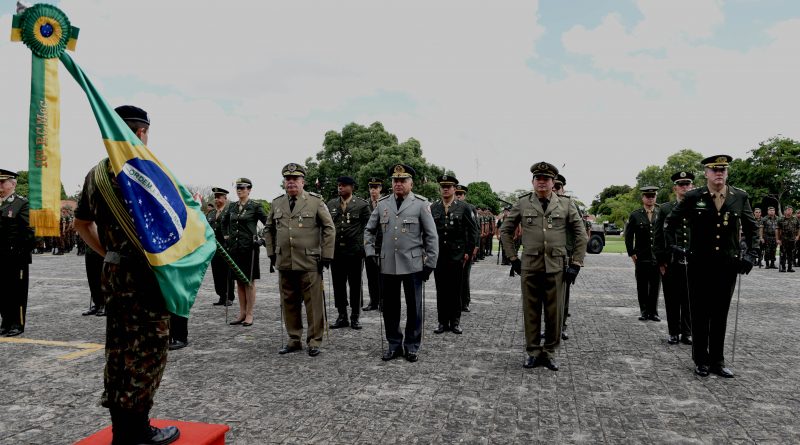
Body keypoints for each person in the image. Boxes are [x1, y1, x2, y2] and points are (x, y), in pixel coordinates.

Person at [73, 105, 180, 444]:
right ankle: (137, 430)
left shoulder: (97, 174)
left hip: (115, 274)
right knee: (148, 349)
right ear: (140, 133)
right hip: (147, 276)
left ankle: (122, 428)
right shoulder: (147, 173)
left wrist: (109, 254)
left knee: (119, 349)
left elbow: (80, 224)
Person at [665, 154, 758, 378]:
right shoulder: (694, 196)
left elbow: (752, 228)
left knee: (720, 313)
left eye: (723, 170)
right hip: (699, 265)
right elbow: (670, 224)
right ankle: (701, 360)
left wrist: (751, 254)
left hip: (727, 265)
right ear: (706, 173)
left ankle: (718, 360)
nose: (719, 174)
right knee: (700, 313)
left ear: (727, 173)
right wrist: (675, 247)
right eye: (715, 170)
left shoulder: (739, 197)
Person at [500, 162, 587, 371]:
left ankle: (549, 352)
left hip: (557, 266)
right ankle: (532, 351)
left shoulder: (566, 204)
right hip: (529, 265)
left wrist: (575, 263)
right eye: (538, 178)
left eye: (546, 179)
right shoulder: (522, 203)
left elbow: (580, 234)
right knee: (530, 311)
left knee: (554, 313)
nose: (541, 182)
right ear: (532, 181)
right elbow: (505, 231)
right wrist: (513, 258)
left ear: (553, 182)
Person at [364, 163, 438, 362]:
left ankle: (412, 345)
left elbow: (432, 236)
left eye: (403, 180)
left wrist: (430, 263)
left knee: (414, 307)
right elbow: (369, 230)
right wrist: (370, 252)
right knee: (389, 307)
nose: (398, 183)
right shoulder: (382, 204)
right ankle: (394, 344)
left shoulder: (421, 204)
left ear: (411, 183)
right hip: (387, 264)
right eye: (395, 180)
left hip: (413, 265)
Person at [265, 163, 335, 357]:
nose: (291, 183)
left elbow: (329, 228)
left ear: (303, 181)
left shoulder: (315, 202)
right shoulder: (277, 203)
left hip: (309, 261)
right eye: (288, 180)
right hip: (285, 261)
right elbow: (268, 229)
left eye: (295, 179)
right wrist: (272, 252)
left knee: (313, 303)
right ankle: (293, 339)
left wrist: (326, 255)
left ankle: (314, 340)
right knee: (289, 302)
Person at [430, 175, 478, 335]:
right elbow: (429, 232)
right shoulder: (434, 207)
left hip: (457, 255)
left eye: (449, 186)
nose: (445, 189)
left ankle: (455, 321)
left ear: (454, 188)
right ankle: (442, 322)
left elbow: (473, 232)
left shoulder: (464, 207)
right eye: (443, 186)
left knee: (456, 289)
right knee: (441, 289)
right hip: (439, 255)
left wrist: (468, 253)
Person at [653, 171, 694, 346]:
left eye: (687, 184)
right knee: (672, 298)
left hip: (692, 260)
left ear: (692, 186)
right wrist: (661, 260)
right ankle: (673, 332)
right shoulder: (665, 208)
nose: (684, 187)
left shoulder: (698, 206)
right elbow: (658, 236)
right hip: (671, 261)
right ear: (675, 188)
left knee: (690, 298)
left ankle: (687, 332)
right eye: (681, 184)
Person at [326, 176, 371, 330]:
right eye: (339, 185)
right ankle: (342, 315)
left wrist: (366, 247)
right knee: (338, 285)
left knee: (355, 284)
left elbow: (370, 227)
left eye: (344, 185)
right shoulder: (331, 204)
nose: (340, 188)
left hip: (355, 252)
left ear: (352, 187)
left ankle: (355, 316)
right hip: (336, 251)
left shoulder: (362, 205)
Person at [224, 177, 267, 326]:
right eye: (238, 188)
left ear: (249, 190)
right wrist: (226, 236)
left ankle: (249, 314)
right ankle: (241, 312)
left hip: (249, 248)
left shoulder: (255, 206)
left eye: (243, 188)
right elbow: (225, 222)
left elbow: (268, 223)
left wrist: (262, 239)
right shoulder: (232, 206)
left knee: (248, 281)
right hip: (235, 249)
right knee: (239, 282)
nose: (240, 190)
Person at [0, 169, 34, 337]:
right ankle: (5, 322)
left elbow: (29, 231)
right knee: (2, 292)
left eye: (2, 183)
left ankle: (17, 324)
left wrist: (20, 252)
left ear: (12, 184)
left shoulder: (21, 203)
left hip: (16, 257)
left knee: (17, 292)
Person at [625, 186, 662, 322]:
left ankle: (654, 312)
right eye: (648, 196)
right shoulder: (635, 215)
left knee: (655, 286)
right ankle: (644, 311)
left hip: (656, 256)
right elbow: (629, 236)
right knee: (642, 285)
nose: (650, 198)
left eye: (653, 196)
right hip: (641, 256)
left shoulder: (660, 213)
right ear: (643, 198)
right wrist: (632, 253)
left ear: (655, 197)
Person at [207, 187, 234, 306]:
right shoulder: (211, 213)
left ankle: (229, 296)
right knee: (217, 273)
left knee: (227, 273)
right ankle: (221, 295)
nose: (216, 199)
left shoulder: (230, 211)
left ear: (225, 198)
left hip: (226, 247)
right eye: (215, 197)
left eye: (219, 197)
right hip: (214, 248)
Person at [455, 184, 480, 312]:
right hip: (454, 248)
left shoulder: (469, 208)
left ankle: (465, 301)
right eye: (457, 193)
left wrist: (476, 245)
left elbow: (475, 229)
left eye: (461, 194)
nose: (458, 196)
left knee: (464, 276)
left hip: (466, 247)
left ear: (464, 196)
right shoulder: (450, 206)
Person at [362, 177, 384, 312]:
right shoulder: (365, 205)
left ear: (380, 189)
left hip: (383, 245)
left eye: (376, 188)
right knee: (371, 275)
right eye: (371, 188)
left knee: (383, 275)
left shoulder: (385, 203)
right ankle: (373, 301)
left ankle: (383, 301)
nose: (373, 190)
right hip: (369, 245)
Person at [776, 205, 798, 272]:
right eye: (788, 210)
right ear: (785, 211)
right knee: (783, 254)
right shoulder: (780, 219)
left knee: (791, 254)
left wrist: (797, 236)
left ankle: (790, 268)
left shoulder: (795, 219)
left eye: (791, 210)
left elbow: (798, 228)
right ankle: (783, 267)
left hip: (792, 239)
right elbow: (777, 229)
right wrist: (777, 239)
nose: (789, 211)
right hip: (783, 240)